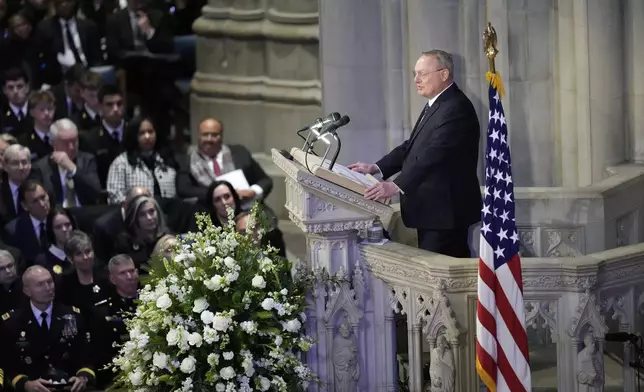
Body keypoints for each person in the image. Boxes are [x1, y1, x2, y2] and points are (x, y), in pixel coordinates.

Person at [349, 50, 481, 257]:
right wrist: (376, 167)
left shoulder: (456, 107)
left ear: (444, 74)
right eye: (414, 74)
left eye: (423, 74)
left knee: (441, 279)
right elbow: (412, 146)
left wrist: (395, 185)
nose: (416, 80)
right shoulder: (438, 104)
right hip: (434, 211)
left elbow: (434, 155)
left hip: (445, 213)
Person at [0, 265, 95, 392]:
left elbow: (87, 356)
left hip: (68, 387)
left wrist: (83, 378)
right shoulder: (12, 322)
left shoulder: (72, 316)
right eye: (40, 284)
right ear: (27, 290)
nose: (48, 288)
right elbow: (6, 363)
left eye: (50, 282)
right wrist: (25, 384)